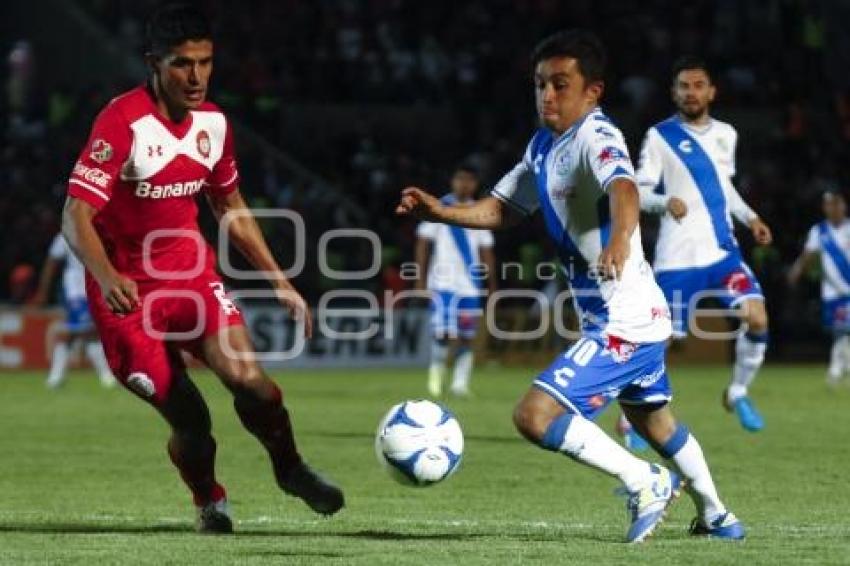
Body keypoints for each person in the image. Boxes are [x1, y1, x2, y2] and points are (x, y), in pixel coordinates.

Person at [397, 30, 744, 543]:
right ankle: (718, 515)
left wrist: (621, 239)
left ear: (592, 92)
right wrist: (440, 211)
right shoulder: (542, 146)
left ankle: (644, 481)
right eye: (540, 85)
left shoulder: (595, 136)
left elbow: (623, 187)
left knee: (534, 415)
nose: (548, 96)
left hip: (623, 319)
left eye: (561, 84)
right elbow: (502, 208)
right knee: (655, 423)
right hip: (633, 317)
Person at [61, 4, 343, 533]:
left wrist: (281, 282)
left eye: (205, 63)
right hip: (128, 299)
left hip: (192, 278)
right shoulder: (120, 124)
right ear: (153, 63)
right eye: (181, 64)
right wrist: (105, 276)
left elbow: (230, 207)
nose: (196, 77)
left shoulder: (214, 123)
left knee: (250, 380)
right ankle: (209, 500)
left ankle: (290, 468)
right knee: (191, 419)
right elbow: (74, 215)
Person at [635, 56, 772, 432]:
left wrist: (751, 217)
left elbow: (723, 187)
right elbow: (637, 189)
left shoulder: (727, 134)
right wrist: (664, 202)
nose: (691, 92)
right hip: (676, 259)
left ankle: (738, 392)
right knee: (658, 343)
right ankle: (633, 420)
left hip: (723, 253)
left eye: (698, 85)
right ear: (674, 92)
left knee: (757, 318)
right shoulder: (660, 136)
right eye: (684, 86)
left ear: (711, 91)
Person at [414, 165, 496, 397]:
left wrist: (491, 285)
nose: (464, 184)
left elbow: (486, 250)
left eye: (469, 180)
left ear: (475, 184)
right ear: (452, 181)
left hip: (470, 285)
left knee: (466, 336)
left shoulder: (480, 211)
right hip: (443, 284)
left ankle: (460, 384)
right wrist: (419, 280)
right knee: (443, 334)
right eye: (460, 179)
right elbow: (423, 242)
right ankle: (435, 379)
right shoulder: (438, 207)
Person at [31, 233, 116, 388]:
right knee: (81, 331)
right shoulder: (65, 234)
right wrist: (43, 291)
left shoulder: (101, 231)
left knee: (86, 332)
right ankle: (104, 377)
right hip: (76, 290)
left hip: (97, 288)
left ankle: (57, 377)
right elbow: (52, 262)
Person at [789, 190, 850, 386]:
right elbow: (808, 255)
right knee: (840, 329)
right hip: (832, 291)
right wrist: (797, 271)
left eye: (836, 204)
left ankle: (836, 369)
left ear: (843, 205)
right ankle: (840, 367)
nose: (833, 208)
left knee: (842, 330)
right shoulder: (819, 231)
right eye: (829, 205)